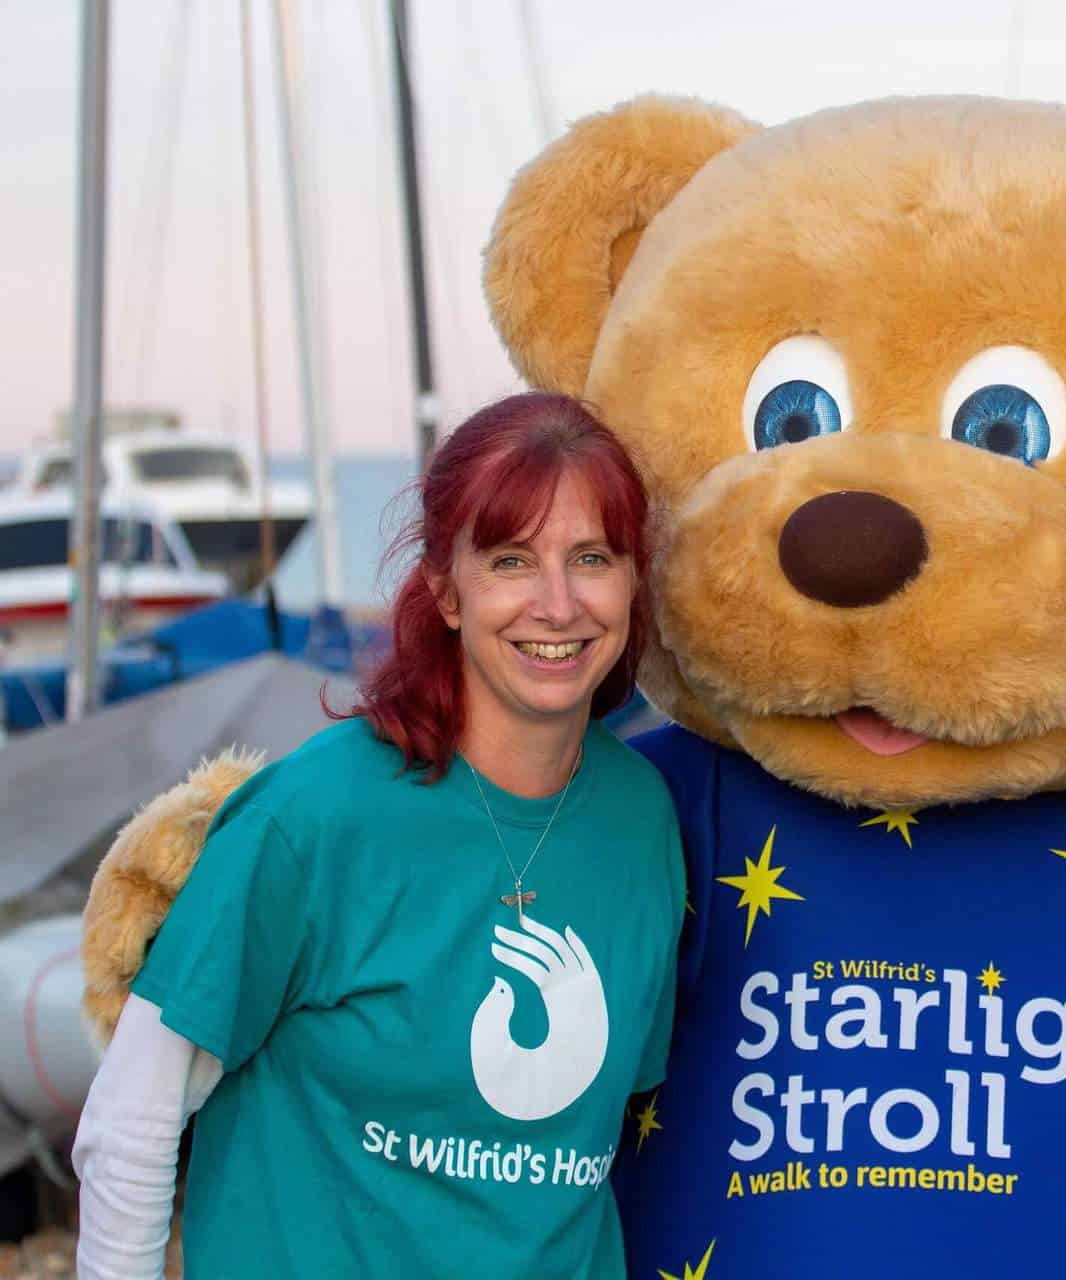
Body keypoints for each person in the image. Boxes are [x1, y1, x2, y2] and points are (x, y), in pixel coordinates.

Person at [73, 393, 683, 1279]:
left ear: (633, 580)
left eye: (591, 558)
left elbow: (604, 1142)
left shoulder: (641, 818)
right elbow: (131, 1121)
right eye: (511, 561)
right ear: (444, 590)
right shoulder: (315, 814)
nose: (558, 605)